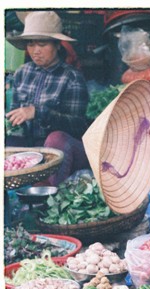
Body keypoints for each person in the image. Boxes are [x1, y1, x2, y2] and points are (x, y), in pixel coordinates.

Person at [5, 11, 90, 186]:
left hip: (62, 151)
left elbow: (78, 126)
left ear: (58, 44)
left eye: (42, 44)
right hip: (30, 148)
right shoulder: (23, 72)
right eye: (31, 44)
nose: (35, 51)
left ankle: (50, 196)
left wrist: (39, 113)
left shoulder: (72, 77)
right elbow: (14, 117)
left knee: (56, 138)